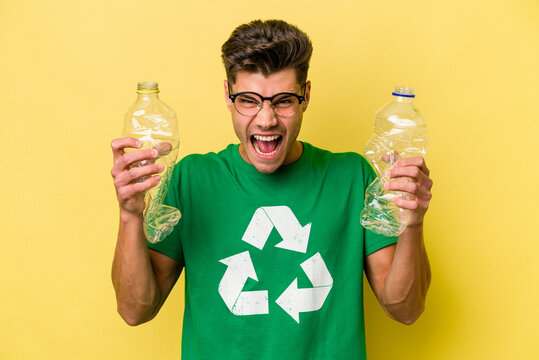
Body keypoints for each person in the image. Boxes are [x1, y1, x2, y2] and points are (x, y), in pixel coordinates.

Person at [110, 19, 432, 359]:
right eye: (248, 100)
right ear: (227, 95)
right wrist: (130, 215)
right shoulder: (191, 179)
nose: (266, 120)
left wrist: (413, 223)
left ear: (305, 96)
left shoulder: (352, 178)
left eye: (282, 101)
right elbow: (135, 310)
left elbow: (406, 309)